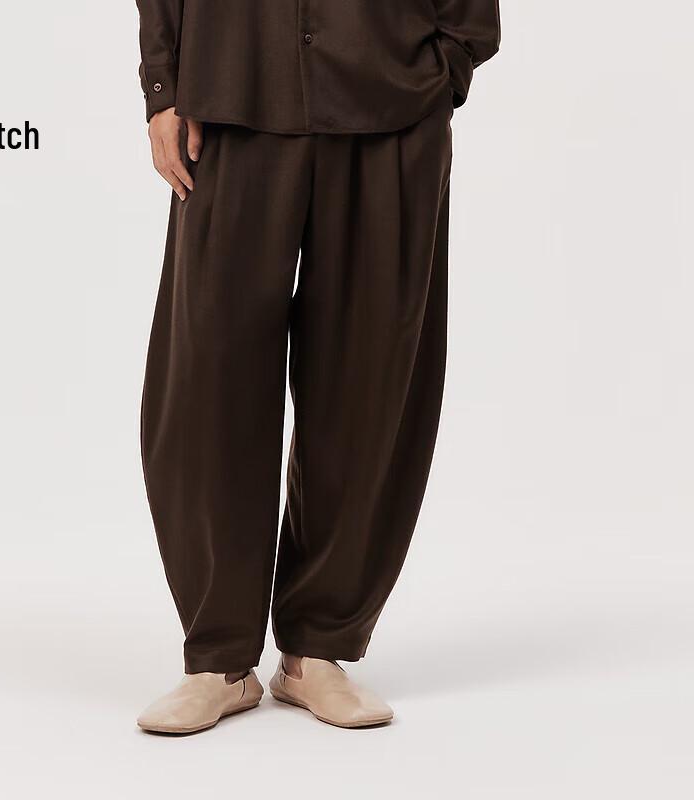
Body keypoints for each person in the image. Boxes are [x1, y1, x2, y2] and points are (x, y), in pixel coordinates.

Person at [134, 0, 500, 734]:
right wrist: (164, 88)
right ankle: (218, 658)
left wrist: (448, 64)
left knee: (368, 379)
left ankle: (318, 648)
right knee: (208, 383)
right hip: (231, 97)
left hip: (389, 100)